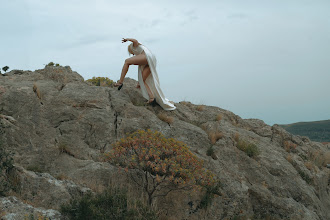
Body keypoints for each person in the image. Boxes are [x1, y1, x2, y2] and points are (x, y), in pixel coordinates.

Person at [114, 38, 176, 111]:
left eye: (132, 53)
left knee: (127, 61)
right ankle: (152, 98)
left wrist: (127, 39)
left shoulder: (134, 45)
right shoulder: (142, 48)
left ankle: (120, 82)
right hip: (152, 59)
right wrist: (139, 82)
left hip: (147, 57)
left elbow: (135, 40)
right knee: (143, 80)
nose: (133, 54)